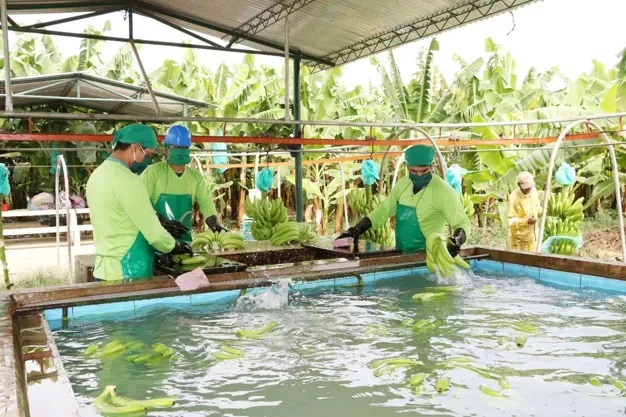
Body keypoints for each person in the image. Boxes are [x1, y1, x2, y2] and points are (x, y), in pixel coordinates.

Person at [86, 124, 192, 281]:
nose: (147, 161)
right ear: (135, 148)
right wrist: (175, 246)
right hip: (128, 271)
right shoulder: (129, 181)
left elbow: (120, 215)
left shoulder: (97, 175)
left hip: (103, 270)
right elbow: (155, 235)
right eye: (147, 154)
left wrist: (160, 220)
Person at [336, 145, 470, 255]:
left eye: (423, 171)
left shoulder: (443, 191)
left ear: (432, 166)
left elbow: (462, 222)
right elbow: (383, 211)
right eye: (413, 171)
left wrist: (457, 239)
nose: (418, 175)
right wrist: (357, 229)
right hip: (401, 254)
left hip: (429, 257)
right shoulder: (403, 185)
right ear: (407, 167)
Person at [140, 125, 226, 245]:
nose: (180, 150)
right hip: (155, 241)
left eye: (184, 147)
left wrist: (213, 222)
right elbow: (140, 203)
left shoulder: (195, 177)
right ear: (166, 149)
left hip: (184, 241)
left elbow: (205, 201)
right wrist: (161, 221)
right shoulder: (153, 172)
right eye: (175, 147)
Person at [507, 171, 542, 251]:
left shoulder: (533, 191)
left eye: (530, 186)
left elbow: (537, 207)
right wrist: (526, 221)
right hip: (519, 240)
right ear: (519, 185)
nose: (529, 189)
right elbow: (511, 221)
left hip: (533, 237)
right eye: (526, 187)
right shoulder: (514, 198)